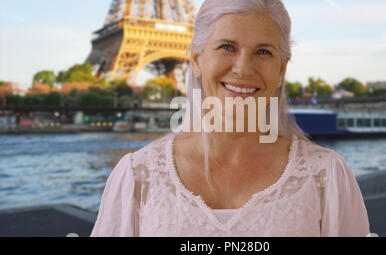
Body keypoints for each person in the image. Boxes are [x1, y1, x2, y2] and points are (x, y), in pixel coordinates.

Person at [91, 0, 371, 237]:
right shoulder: (136, 175)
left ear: (281, 69)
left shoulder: (327, 176)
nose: (242, 68)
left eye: (263, 52)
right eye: (227, 47)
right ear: (197, 60)